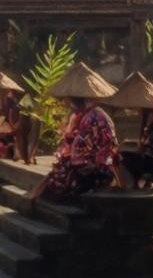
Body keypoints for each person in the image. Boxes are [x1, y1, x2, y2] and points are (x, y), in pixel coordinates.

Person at [30, 61, 119, 202]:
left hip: (97, 168)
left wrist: (69, 153)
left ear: (73, 99)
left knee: (59, 181)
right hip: (88, 162)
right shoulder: (82, 115)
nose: (63, 102)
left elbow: (85, 151)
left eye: (65, 99)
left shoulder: (93, 117)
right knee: (55, 176)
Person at [108, 72, 153, 189]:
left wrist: (145, 133)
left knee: (125, 156)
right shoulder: (150, 118)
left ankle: (146, 179)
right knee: (123, 154)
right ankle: (136, 182)